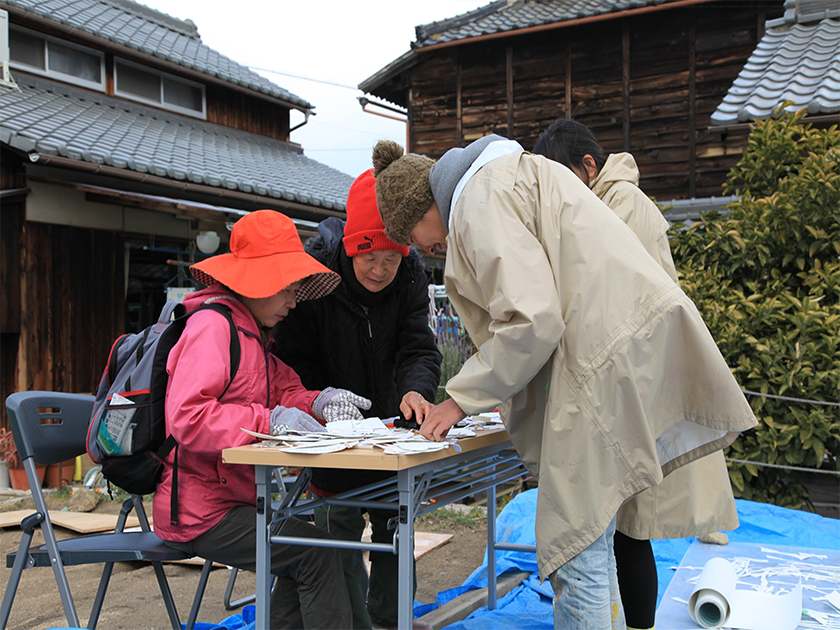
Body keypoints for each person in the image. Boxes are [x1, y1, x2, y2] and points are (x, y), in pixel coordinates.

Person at [370, 136, 757, 630]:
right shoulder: (516, 174)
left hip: (602, 364)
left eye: (414, 238)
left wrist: (459, 401)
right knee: (597, 534)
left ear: (423, 209)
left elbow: (532, 320)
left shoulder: (475, 201)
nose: (424, 250)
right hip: (623, 350)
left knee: (574, 543)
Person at [532, 117, 739, 630]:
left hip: (636, 381)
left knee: (629, 524)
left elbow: (604, 300)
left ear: (587, 166)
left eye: (562, 179)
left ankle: (635, 623)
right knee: (623, 522)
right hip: (630, 378)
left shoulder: (621, 206)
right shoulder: (608, 202)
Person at [152, 209, 373, 630]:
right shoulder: (213, 328)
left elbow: (286, 391)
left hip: (229, 500)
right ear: (258, 282)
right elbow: (187, 417)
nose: (294, 300)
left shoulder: (250, 333)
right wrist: (268, 420)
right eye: (289, 288)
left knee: (307, 548)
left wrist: (321, 401)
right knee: (312, 550)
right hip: (200, 511)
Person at [273, 169, 442, 630]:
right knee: (337, 527)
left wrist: (415, 390)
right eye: (369, 256)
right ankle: (353, 624)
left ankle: (392, 622)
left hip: (391, 427)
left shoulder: (408, 276)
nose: (380, 269)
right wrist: (316, 403)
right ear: (349, 245)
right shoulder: (315, 278)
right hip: (330, 430)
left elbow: (418, 347)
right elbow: (290, 358)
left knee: (396, 525)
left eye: (392, 257)